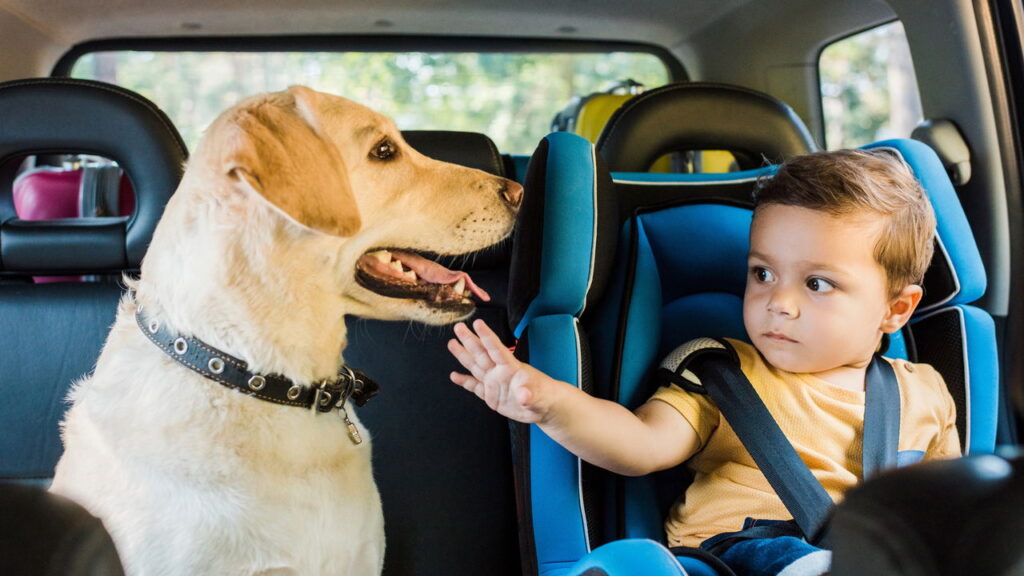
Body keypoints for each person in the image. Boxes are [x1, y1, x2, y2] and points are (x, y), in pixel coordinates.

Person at [447, 149, 961, 576]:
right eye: (762, 274)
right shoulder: (718, 371)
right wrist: (550, 403)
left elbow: (946, 513)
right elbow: (640, 444)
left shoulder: (924, 393)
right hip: (734, 557)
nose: (779, 302)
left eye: (817, 283)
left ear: (896, 309)